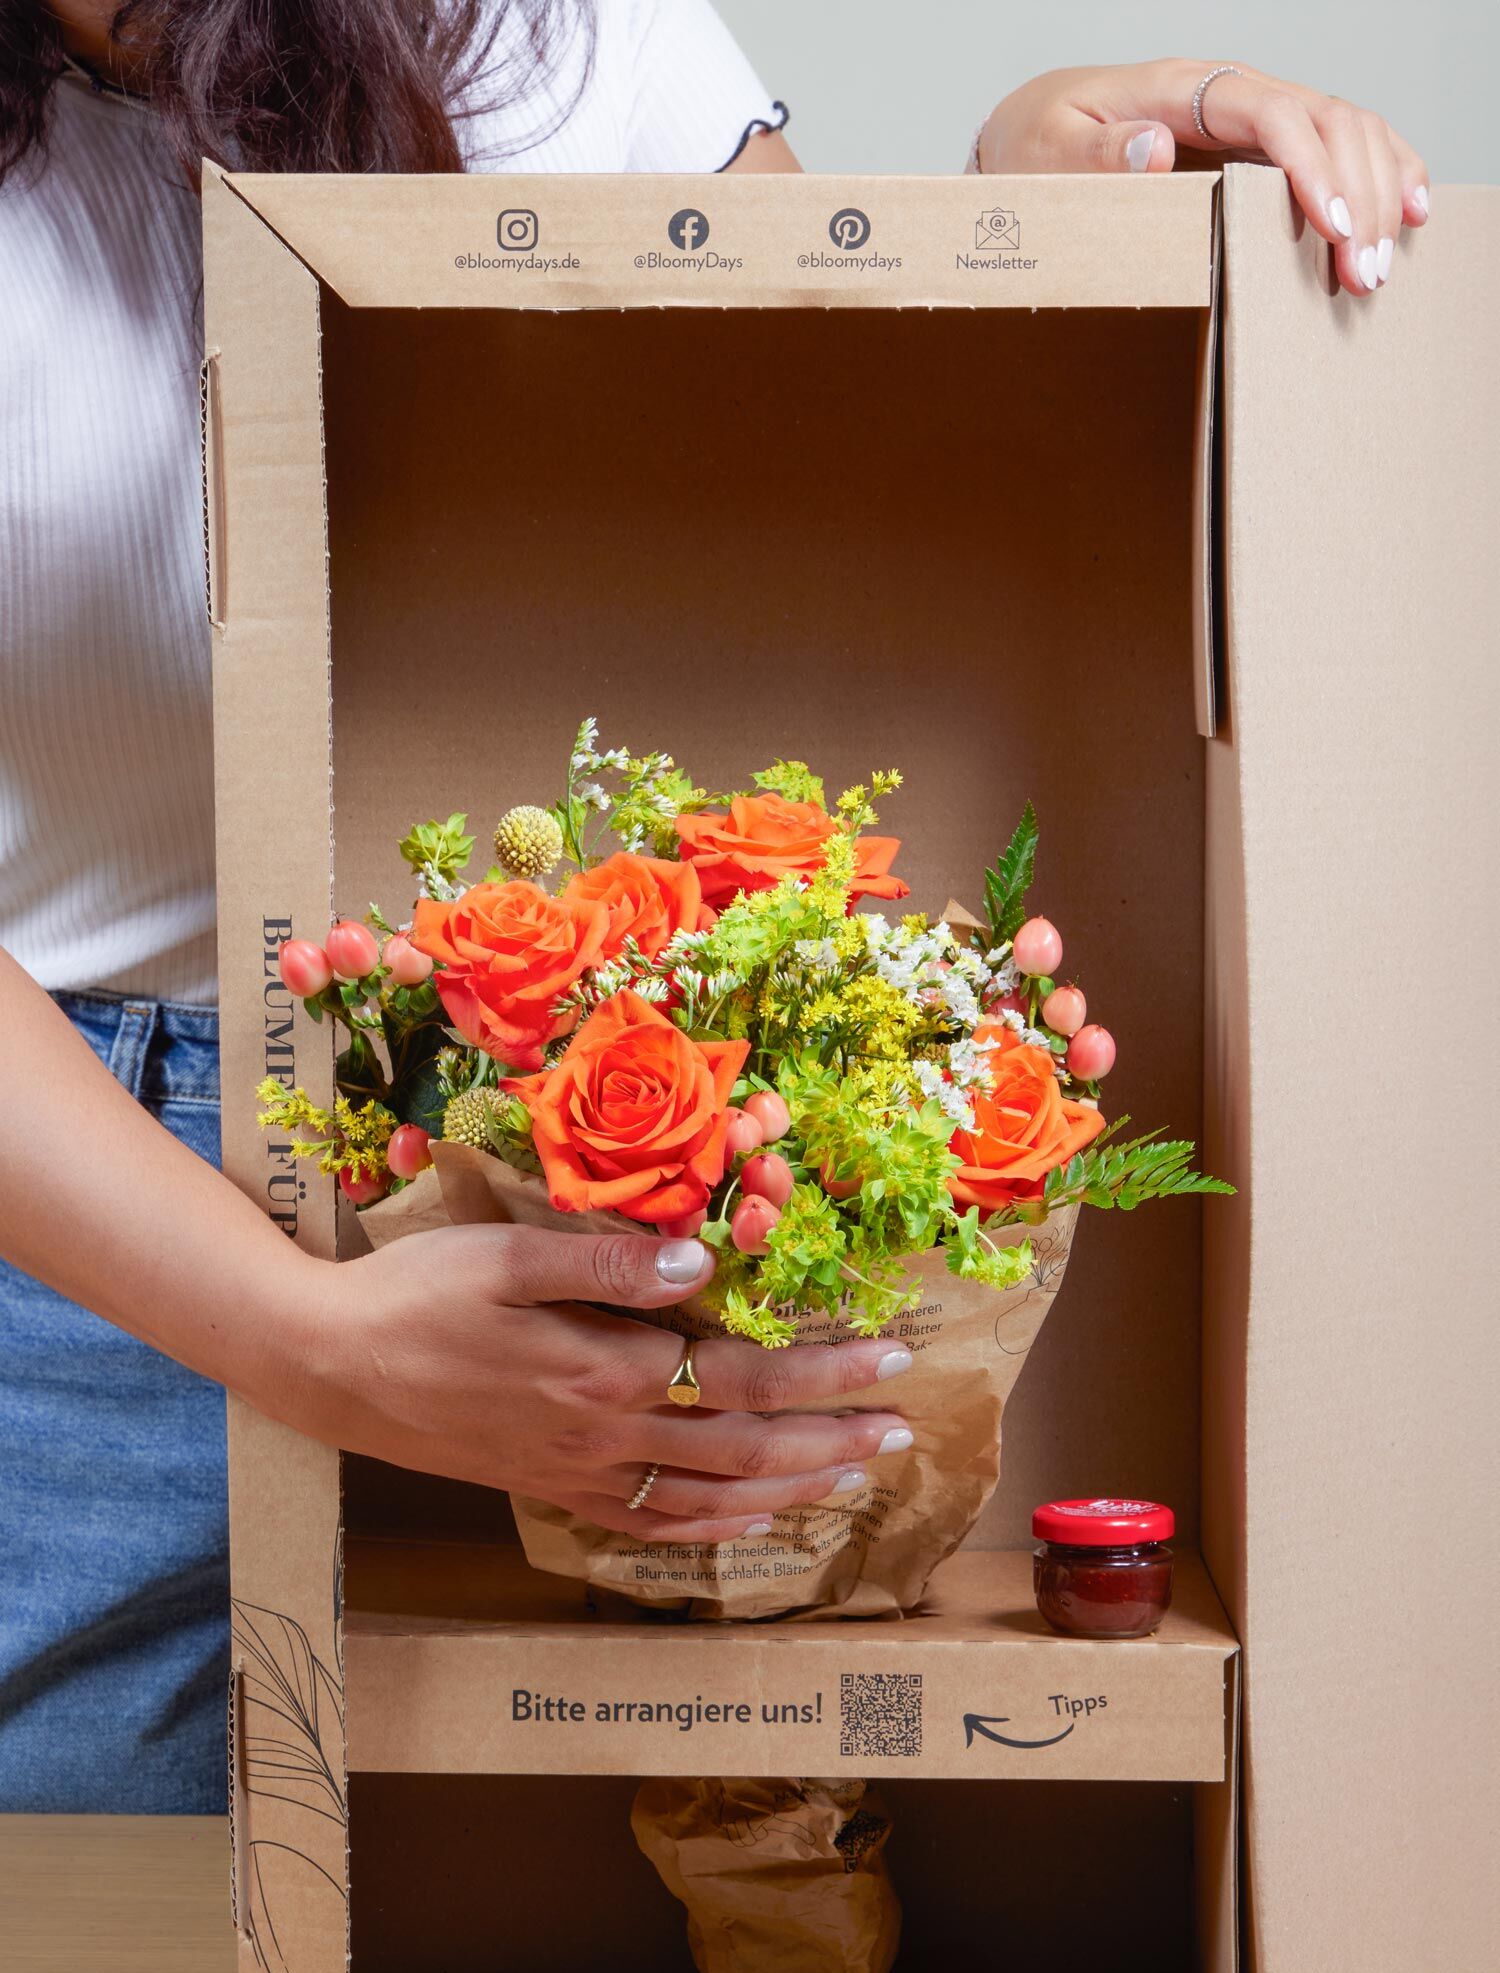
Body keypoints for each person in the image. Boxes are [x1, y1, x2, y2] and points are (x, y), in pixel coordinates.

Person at [0, 0, 1429, 1813]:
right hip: (60, 1223)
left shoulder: (544, 36)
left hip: (559, 1146)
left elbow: (773, 438)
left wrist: (1031, 209)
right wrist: (312, 1342)